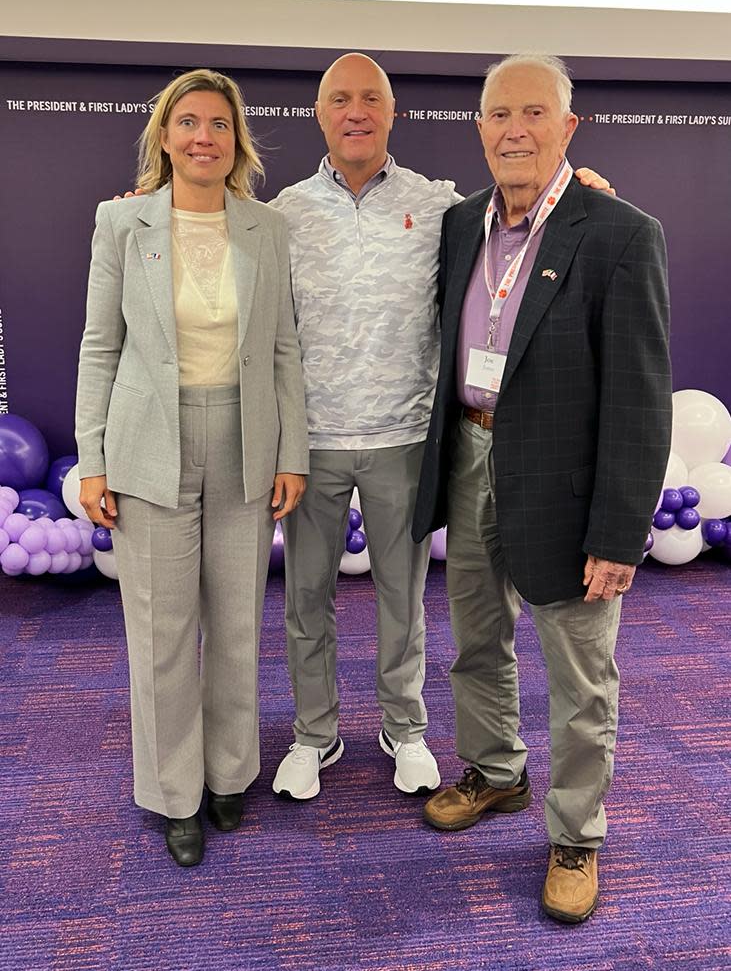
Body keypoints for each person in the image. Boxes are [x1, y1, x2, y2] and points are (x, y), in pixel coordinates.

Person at [268, 52, 614, 802]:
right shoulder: (282, 213)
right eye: (339, 99)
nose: (355, 111)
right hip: (311, 442)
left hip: (407, 441)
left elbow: (533, 215)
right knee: (305, 604)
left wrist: (582, 185)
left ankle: (406, 729)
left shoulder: (442, 207)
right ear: (319, 114)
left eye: (371, 99)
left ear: (393, 114)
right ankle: (313, 736)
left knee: (405, 603)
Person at [412, 54, 672, 923]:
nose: (513, 129)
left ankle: (575, 834)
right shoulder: (457, 225)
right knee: (475, 643)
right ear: (477, 127)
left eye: (533, 113)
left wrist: (617, 529)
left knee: (579, 674)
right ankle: (493, 773)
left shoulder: (619, 233)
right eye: (496, 114)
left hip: (565, 483)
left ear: (569, 127)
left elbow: (638, 399)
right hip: (470, 458)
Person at [75, 69, 309, 867]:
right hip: (148, 442)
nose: (203, 137)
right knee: (162, 627)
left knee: (238, 621)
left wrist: (292, 453)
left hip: (246, 441)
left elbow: (283, 349)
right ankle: (174, 794)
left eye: (218, 123)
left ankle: (227, 776)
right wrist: (92, 460)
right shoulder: (120, 221)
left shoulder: (266, 229)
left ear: (235, 139)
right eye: (187, 123)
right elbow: (100, 346)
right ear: (165, 136)